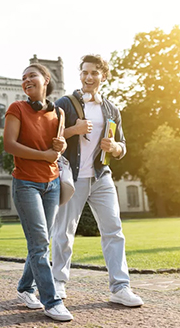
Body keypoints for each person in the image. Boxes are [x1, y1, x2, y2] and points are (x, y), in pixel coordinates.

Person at [51, 54, 144, 307]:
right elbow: (50, 138)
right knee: (64, 233)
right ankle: (58, 284)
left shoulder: (112, 109)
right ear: (79, 75)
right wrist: (74, 130)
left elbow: (122, 145)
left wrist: (115, 147)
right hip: (73, 177)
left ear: (103, 75)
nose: (88, 77)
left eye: (94, 72)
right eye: (84, 72)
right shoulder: (65, 104)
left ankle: (120, 287)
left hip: (101, 176)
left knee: (114, 231)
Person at [3, 63, 73, 321]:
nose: (26, 80)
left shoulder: (59, 114)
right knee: (40, 242)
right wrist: (44, 155)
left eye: (32, 75)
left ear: (46, 79)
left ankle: (24, 288)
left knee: (40, 242)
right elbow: (10, 144)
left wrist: (61, 144)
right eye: (23, 78)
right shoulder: (17, 108)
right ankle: (52, 301)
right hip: (26, 183)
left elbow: (57, 147)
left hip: (52, 183)